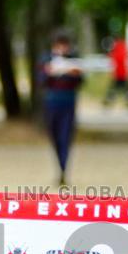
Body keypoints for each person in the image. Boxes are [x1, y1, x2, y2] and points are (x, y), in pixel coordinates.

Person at [39, 29, 83, 185]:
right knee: (54, 135)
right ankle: (60, 165)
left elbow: (81, 81)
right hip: (52, 103)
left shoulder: (74, 60)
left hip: (68, 102)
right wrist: (50, 72)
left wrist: (72, 74)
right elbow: (41, 80)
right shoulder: (46, 59)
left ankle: (63, 169)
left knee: (66, 136)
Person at [103, 36, 128, 107]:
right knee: (127, 89)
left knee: (113, 88)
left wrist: (111, 72)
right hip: (124, 73)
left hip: (117, 74)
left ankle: (109, 101)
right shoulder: (125, 50)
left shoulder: (114, 51)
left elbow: (112, 63)